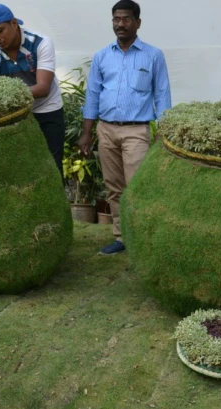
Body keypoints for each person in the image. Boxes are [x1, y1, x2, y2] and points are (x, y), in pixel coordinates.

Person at [78, 0, 172, 255]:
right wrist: (86, 134)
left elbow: (162, 96)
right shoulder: (102, 56)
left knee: (137, 187)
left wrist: (162, 133)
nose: (120, 24)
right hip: (106, 130)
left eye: (126, 19)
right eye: (116, 19)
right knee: (114, 187)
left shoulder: (153, 55)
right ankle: (122, 238)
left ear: (137, 23)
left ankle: (142, 238)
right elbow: (93, 96)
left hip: (136, 132)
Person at [0, 3, 66, 177]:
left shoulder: (40, 43)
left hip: (48, 109)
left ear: (13, 24)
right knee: (19, 169)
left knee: (52, 167)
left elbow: (43, 89)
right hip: (15, 113)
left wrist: (5, 95)